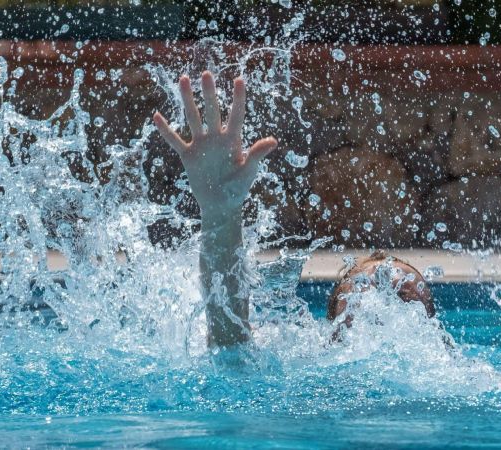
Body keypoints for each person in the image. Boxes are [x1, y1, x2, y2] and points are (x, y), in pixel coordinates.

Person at [154, 71, 434, 348]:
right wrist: (220, 214)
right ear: (333, 334)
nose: (383, 291)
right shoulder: (313, 369)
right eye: (365, 287)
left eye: (404, 297)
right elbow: (231, 350)